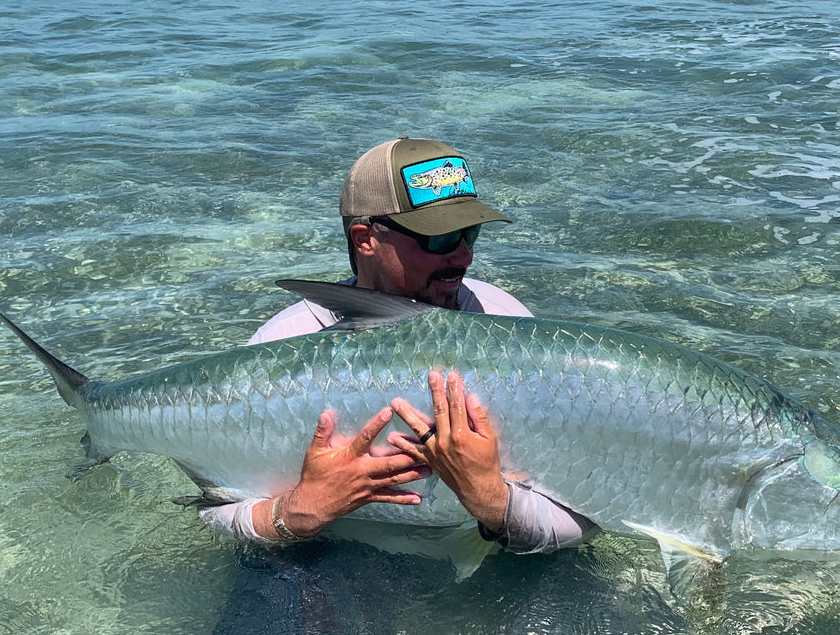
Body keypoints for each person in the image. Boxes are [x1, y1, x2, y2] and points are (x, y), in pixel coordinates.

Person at [200, 136, 596, 555]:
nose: (464, 257)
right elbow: (215, 508)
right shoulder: (284, 345)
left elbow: (590, 503)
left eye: (470, 233)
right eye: (440, 238)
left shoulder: (504, 321)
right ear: (364, 238)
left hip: (485, 550)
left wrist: (494, 503)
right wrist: (296, 514)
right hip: (329, 558)